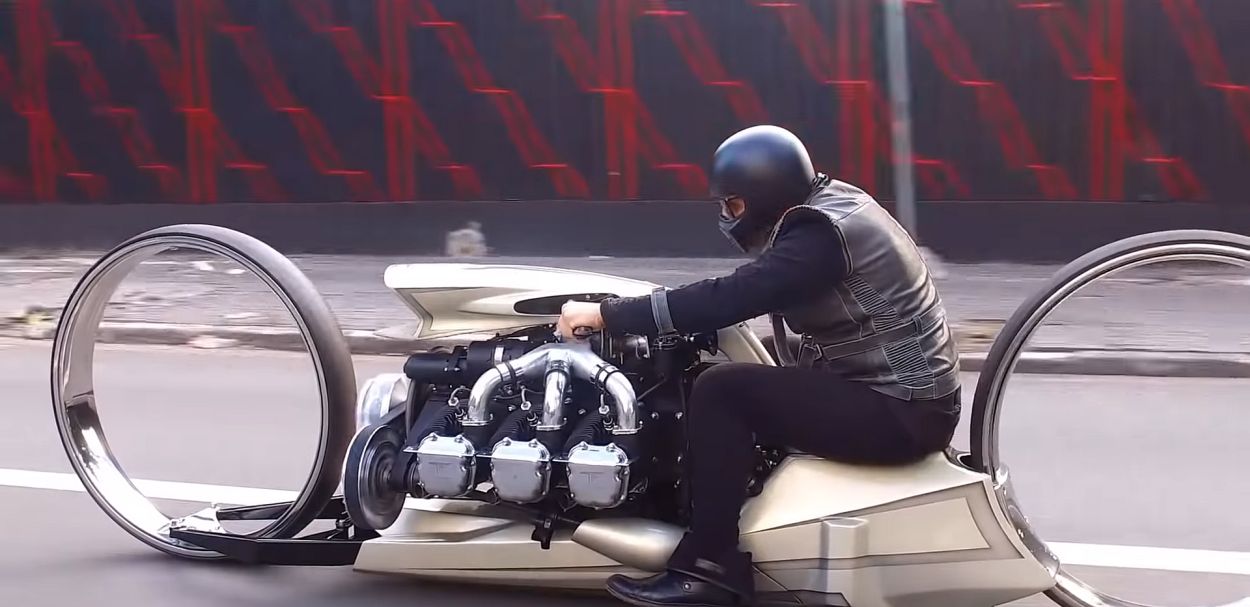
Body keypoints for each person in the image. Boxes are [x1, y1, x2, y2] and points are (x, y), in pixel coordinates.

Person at [557, 125, 962, 607]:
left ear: (763, 196)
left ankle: (709, 565)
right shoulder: (828, 207)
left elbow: (734, 295)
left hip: (903, 412)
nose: (727, 216)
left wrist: (609, 314)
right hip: (903, 396)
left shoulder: (819, 237)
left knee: (722, 391)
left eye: (732, 204)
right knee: (730, 375)